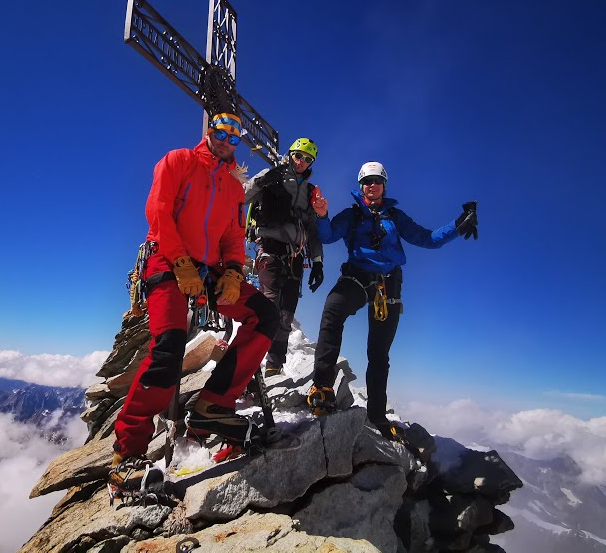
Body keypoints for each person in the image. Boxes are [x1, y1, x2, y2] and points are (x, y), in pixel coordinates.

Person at [109, 112, 281, 495]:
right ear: (209, 132)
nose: (226, 139)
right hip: (165, 258)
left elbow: (234, 237)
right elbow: (159, 211)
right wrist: (181, 261)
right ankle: (128, 451)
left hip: (210, 269)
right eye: (220, 131)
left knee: (264, 315)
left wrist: (235, 272)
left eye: (234, 136)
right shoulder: (178, 161)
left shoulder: (235, 189)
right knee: (168, 345)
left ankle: (212, 406)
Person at [306, 161, 478, 441]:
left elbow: (428, 238)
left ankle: (377, 414)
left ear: (384, 184)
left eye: (376, 180)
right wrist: (322, 215)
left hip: (388, 284)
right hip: (358, 276)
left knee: (378, 352)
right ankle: (322, 387)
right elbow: (327, 236)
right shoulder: (352, 215)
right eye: (366, 181)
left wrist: (458, 226)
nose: (371, 185)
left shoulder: (395, 217)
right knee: (333, 310)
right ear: (360, 186)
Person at [243, 137, 326, 377]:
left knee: (287, 313)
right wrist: (260, 181)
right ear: (290, 154)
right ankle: (249, 362)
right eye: (298, 156)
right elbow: (241, 196)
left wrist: (318, 262)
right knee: (269, 307)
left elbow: (312, 229)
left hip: (296, 257)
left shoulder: (311, 191)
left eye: (307, 159)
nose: (301, 162)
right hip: (270, 248)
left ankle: (274, 364)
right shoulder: (271, 175)